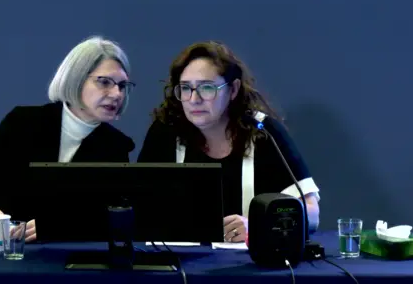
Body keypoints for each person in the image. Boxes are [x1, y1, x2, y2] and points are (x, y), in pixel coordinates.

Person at [137, 41, 320, 243]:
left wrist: (259, 224)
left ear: (233, 90)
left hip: (248, 268)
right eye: (186, 88)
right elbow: (138, 205)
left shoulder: (262, 132)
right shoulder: (166, 132)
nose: (194, 99)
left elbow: (312, 213)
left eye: (207, 88)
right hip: (181, 264)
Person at [0, 36, 136, 242]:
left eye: (122, 86)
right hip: (6, 252)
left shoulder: (116, 146)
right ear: (76, 78)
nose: (117, 94)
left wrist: (58, 226)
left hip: (66, 259)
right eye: (105, 82)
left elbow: (112, 220)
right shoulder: (22, 123)